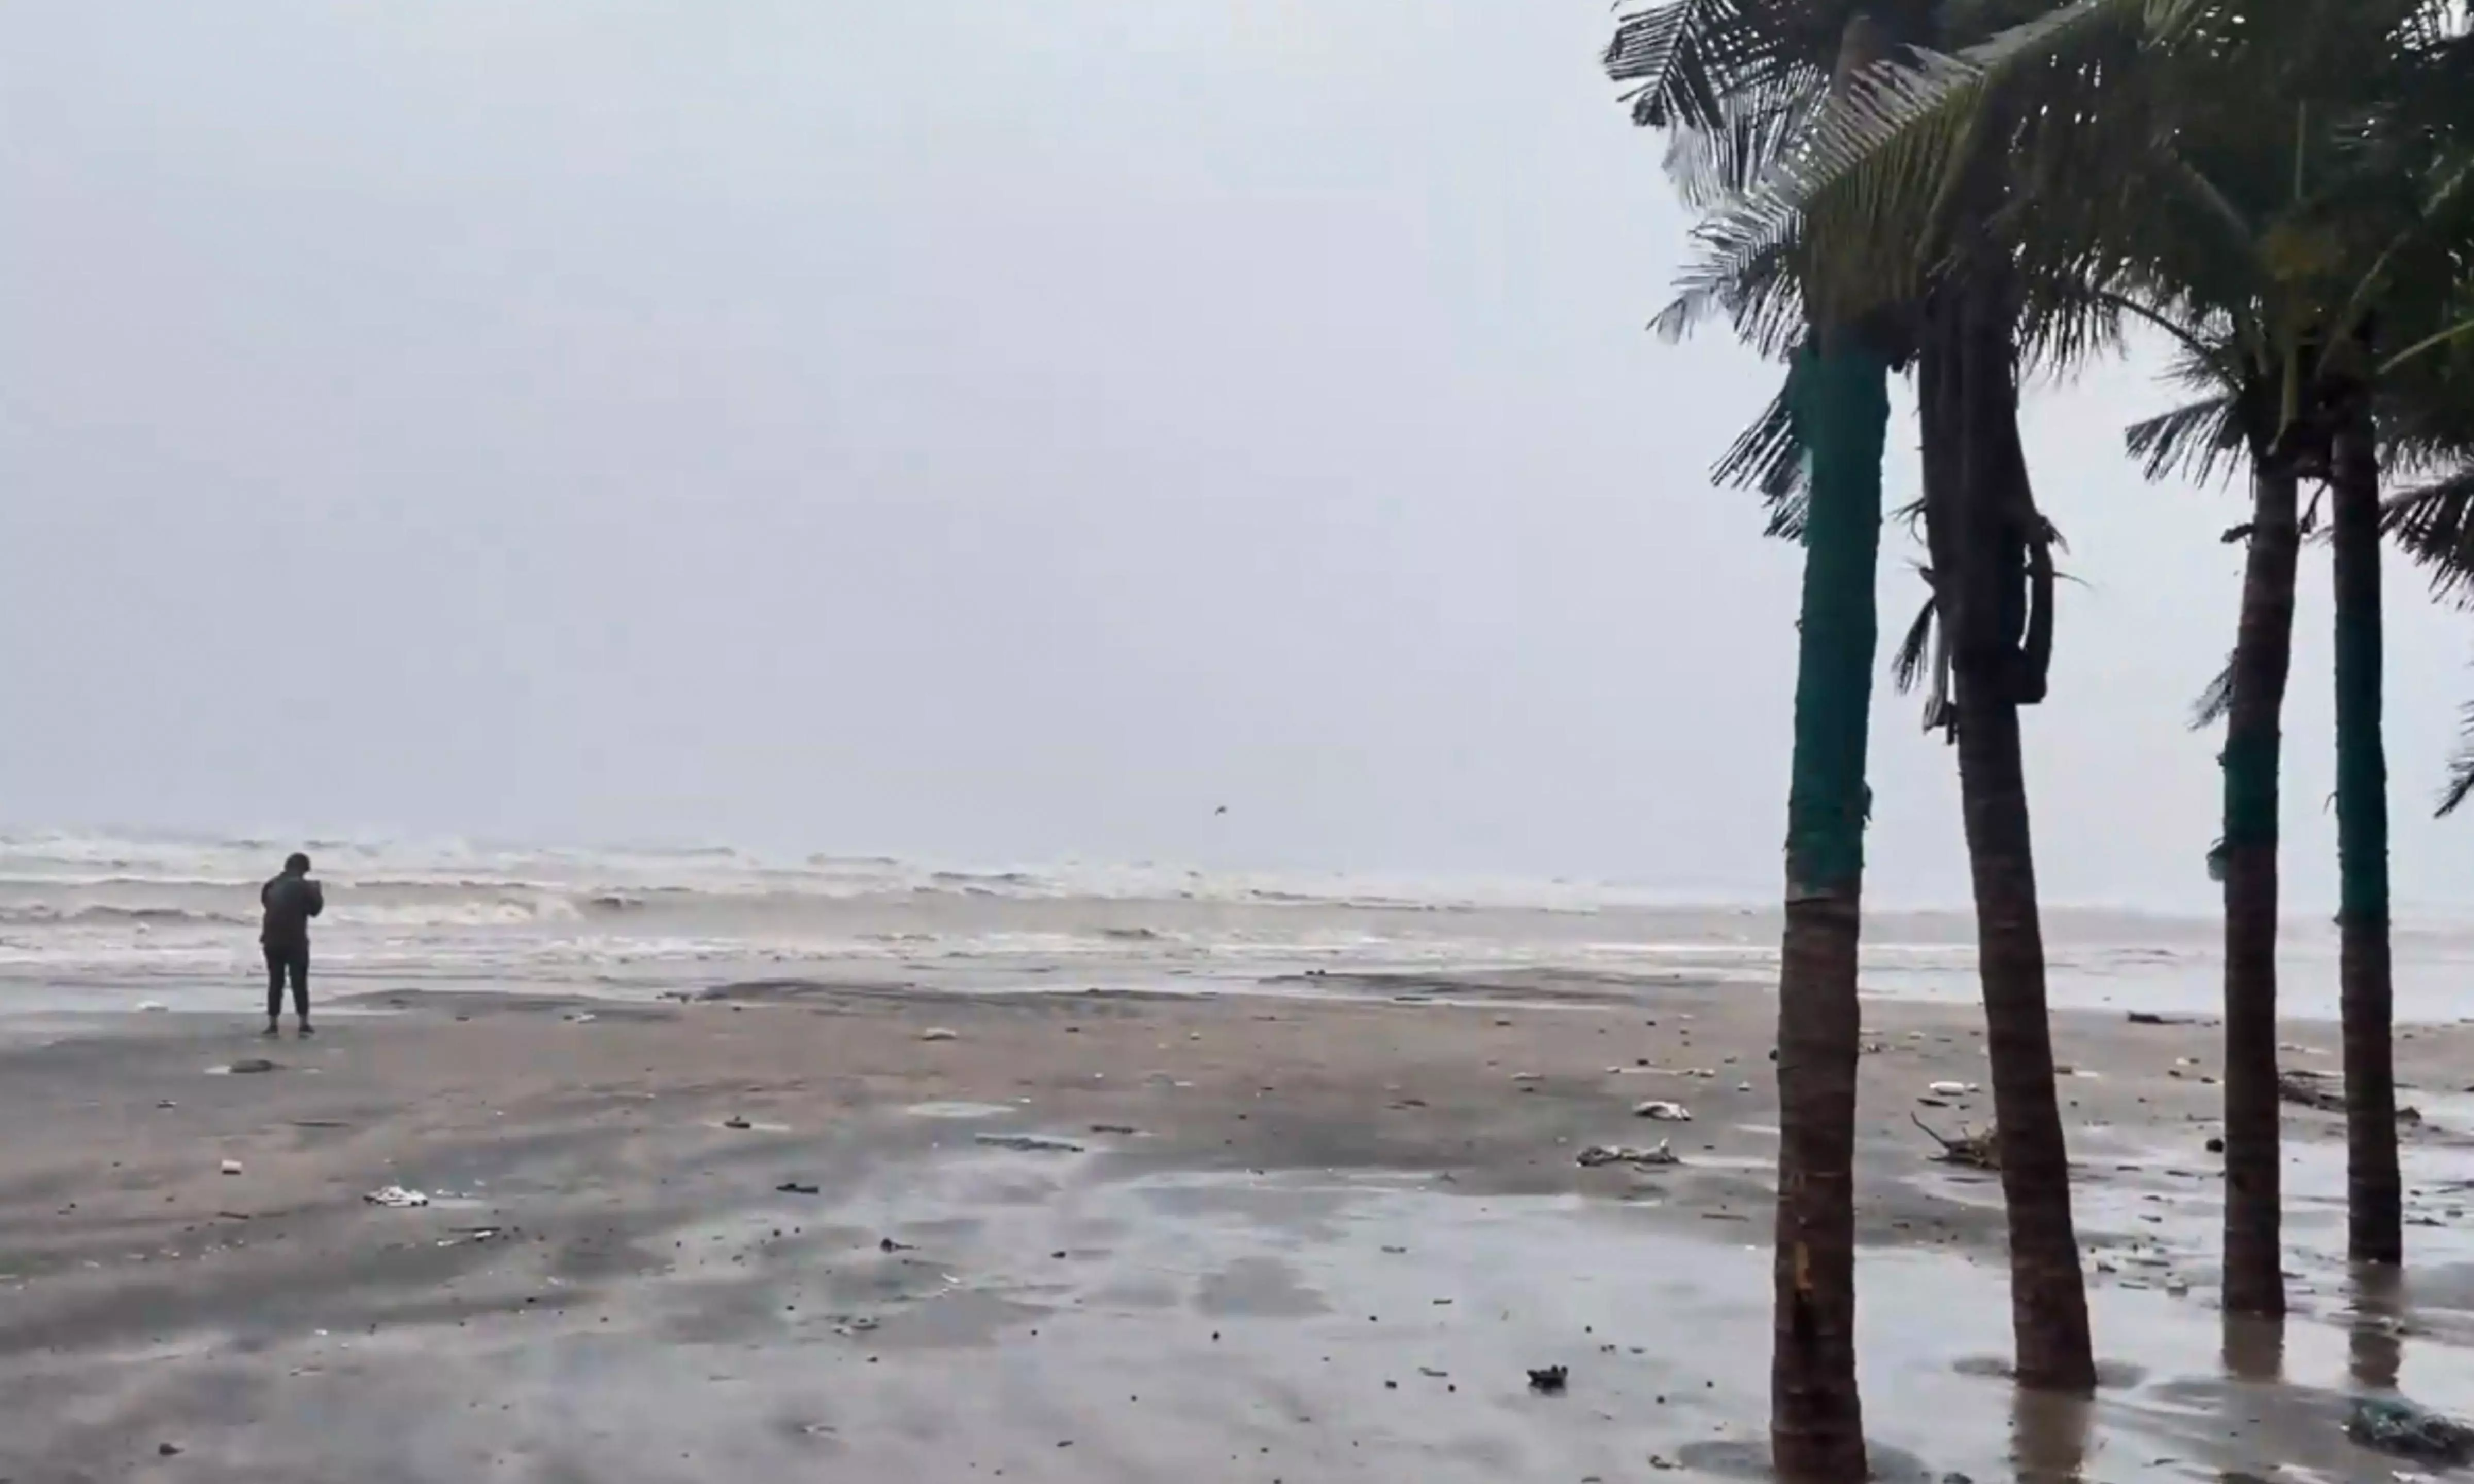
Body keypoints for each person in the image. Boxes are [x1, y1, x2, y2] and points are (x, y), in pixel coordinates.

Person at [260, 852, 324, 1036]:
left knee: (275, 981)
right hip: (295, 940)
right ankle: (303, 1023)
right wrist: (317, 892)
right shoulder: (305, 887)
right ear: (304, 869)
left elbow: (267, 905)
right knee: (299, 981)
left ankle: (273, 1024)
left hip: (271, 939)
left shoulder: (271, 884)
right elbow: (316, 910)